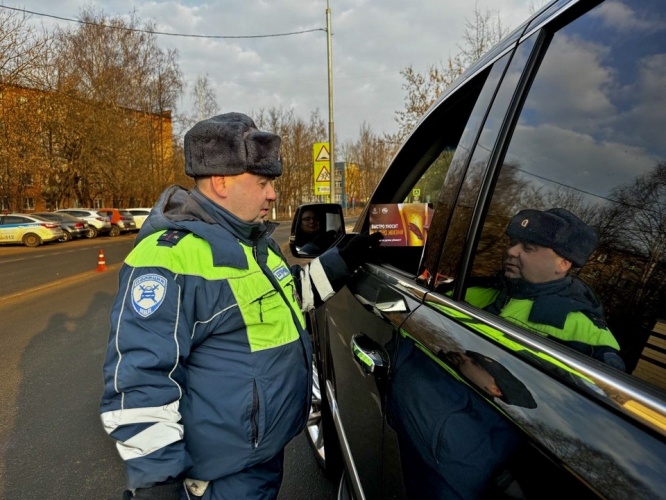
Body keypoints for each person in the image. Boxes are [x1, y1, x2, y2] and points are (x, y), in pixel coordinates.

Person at [99, 112, 382, 499]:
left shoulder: (253, 242)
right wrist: (156, 481)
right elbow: (140, 379)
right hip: (220, 478)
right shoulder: (168, 258)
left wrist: (339, 262)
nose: (272, 194)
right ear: (220, 181)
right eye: (263, 182)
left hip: (259, 457)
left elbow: (285, 301)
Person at [464, 208, 625, 371]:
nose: (511, 251)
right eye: (513, 243)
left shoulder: (589, 335)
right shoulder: (471, 290)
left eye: (528, 248)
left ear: (563, 264)